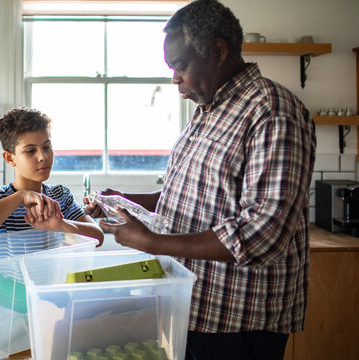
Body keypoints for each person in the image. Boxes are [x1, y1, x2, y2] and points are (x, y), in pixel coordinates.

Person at [84, 1, 316, 359]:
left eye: (181, 65)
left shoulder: (272, 110)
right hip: (193, 309)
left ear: (218, 51)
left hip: (238, 324)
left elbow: (264, 234)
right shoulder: (207, 111)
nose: (174, 78)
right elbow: (190, 196)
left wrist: (154, 243)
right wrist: (127, 200)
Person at [0, 107, 104, 258]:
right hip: (7, 282)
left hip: (50, 281)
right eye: (30, 151)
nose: (43, 156)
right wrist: (20, 197)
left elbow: (97, 238)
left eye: (47, 147)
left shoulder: (61, 196)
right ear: (10, 158)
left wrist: (60, 225)